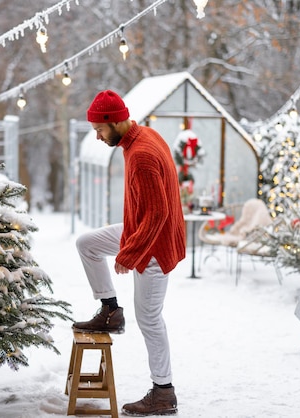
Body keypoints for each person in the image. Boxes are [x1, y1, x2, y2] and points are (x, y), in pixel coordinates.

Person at [72, 90, 186, 416]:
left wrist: (130, 252)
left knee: (149, 318)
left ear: (114, 121)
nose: (96, 135)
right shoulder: (139, 137)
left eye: (99, 128)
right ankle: (110, 310)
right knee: (88, 244)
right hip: (138, 231)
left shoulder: (142, 155)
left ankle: (164, 391)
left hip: (154, 244)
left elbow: (158, 213)